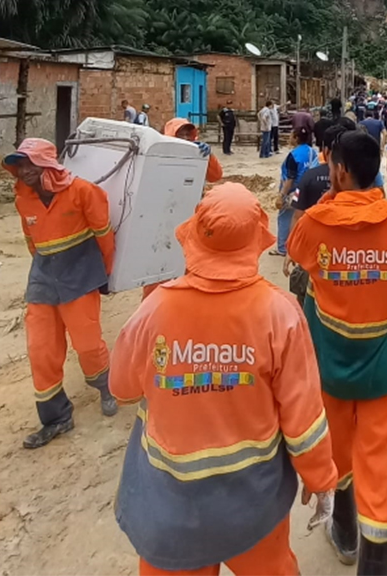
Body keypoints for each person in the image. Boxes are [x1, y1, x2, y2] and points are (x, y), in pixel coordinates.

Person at [110, 182, 338, 576]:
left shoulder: (154, 310)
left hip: (170, 510)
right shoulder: (279, 313)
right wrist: (321, 478)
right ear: (257, 240)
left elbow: (123, 388)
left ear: (195, 234)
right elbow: (303, 415)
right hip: (254, 506)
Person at [287, 131, 387, 576]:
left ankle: (346, 536)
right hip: (381, 371)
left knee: (339, 453)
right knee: (380, 459)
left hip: (328, 368)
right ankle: (375, 565)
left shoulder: (314, 224)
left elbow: (296, 258)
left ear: (339, 171)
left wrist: (329, 202)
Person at [3, 138, 117, 449]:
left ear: (47, 163)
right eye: (19, 165)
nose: (24, 171)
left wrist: (104, 275)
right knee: (41, 349)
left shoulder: (82, 191)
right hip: (43, 278)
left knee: (87, 343)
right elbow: (31, 241)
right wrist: (43, 273)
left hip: (80, 274)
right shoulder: (22, 199)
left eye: (30, 163)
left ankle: (105, 386)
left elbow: (104, 236)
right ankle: (56, 418)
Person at [283, 125, 385, 306]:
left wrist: (330, 194)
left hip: (324, 325)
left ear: (339, 171)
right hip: (379, 325)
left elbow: (297, 230)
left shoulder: (312, 221)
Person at [140, 119, 224, 303]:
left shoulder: (198, 155)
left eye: (188, 134)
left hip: (192, 218)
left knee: (191, 264)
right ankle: (151, 310)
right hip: (164, 220)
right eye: (181, 134)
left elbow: (216, 176)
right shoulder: (157, 156)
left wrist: (208, 157)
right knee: (159, 269)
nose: (186, 138)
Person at [273, 127, 319, 257]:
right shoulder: (312, 152)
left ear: (296, 138)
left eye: (291, 135)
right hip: (308, 189)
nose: (289, 138)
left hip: (293, 191)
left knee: (285, 217)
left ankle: (282, 248)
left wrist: (281, 196)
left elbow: (290, 179)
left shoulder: (293, 155)